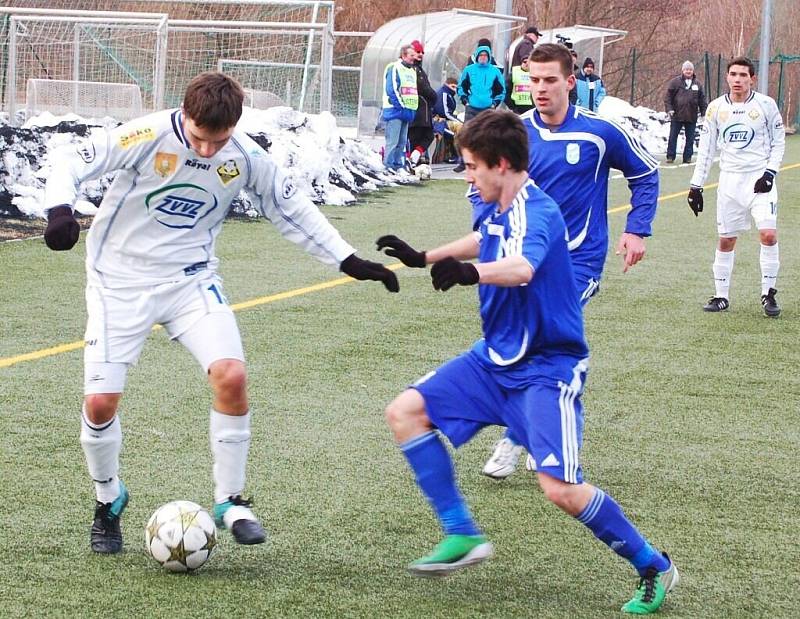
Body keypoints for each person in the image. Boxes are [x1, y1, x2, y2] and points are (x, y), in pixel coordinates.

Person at [41, 71, 399, 554]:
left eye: (220, 140)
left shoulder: (246, 156)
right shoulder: (146, 136)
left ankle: (229, 500)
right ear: (184, 114)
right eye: (199, 139)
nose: (208, 151)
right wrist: (59, 209)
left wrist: (348, 260)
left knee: (231, 375)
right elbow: (68, 158)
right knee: (101, 404)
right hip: (118, 283)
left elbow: (289, 208)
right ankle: (109, 499)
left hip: (192, 280)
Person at [377, 110, 677, 615]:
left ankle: (654, 566)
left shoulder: (537, 213)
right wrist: (422, 256)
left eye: (471, 166)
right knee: (404, 412)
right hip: (494, 361)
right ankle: (461, 533)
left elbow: (520, 267)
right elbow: (484, 238)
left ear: (500, 164)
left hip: (546, 367)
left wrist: (471, 274)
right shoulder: (498, 202)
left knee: (561, 489)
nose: (468, 176)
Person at [475, 43, 658, 479]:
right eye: (533, 80)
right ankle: (548, 430)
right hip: (523, 261)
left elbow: (646, 173)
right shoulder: (513, 133)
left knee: (538, 335)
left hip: (580, 262)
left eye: (549, 80)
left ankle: (520, 437)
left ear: (570, 82)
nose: (540, 89)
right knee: (526, 345)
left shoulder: (600, 132)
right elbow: (483, 188)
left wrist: (637, 229)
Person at [687, 56, 785, 317]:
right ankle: (721, 296)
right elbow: (706, 150)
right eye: (734, 74)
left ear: (752, 78)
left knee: (768, 234)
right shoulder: (716, 108)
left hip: (759, 181)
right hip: (729, 182)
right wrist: (696, 186)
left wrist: (769, 173)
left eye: (743, 75)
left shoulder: (766, 105)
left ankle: (769, 293)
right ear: (727, 77)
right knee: (727, 239)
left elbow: (778, 142)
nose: (738, 79)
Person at [454, 44, 505, 172]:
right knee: (466, 135)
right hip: (472, 108)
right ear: (477, 56)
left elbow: (501, 90)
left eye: (485, 55)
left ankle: (487, 162)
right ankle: (463, 162)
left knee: (488, 136)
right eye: (481, 55)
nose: (483, 57)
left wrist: (495, 103)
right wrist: (465, 100)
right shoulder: (469, 70)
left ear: (489, 57)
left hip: (488, 109)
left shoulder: (495, 71)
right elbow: (461, 86)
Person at [381, 45, 418, 171]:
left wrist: (412, 109)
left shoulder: (412, 70)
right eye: (411, 55)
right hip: (395, 110)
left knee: (402, 142)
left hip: (407, 111)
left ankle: (398, 166)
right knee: (393, 141)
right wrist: (400, 106)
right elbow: (391, 89)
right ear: (403, 55)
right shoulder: (394, 67)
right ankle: (388, 166)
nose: (415, 57)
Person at [664, 61, 708, 164]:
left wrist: (704, 113)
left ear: (693, 71)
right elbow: (668, 97)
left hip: (691, 115)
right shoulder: (675, 82)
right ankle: (670, 156)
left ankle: (687, 157)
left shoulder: (698, 84)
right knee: (673, 137)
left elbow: (702, 100)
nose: (688, 71)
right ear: (682, 70)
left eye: (690, 70)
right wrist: (669, 109)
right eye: (686, 69)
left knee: (690, 138)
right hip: (677, 115)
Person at [407, 40, 438, 166]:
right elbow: (424, 88)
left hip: (422, 110)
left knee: (427, 136)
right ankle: (411, 160)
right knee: (417, 137)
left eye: (422, 52)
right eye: (417, 52)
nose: (420, 54)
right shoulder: (413, 69)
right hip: (418, 110)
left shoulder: (418, 68)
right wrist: (434, 96)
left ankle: (413, 158)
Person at [432, 77, 462, 163]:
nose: (455, 90)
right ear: (446, 85)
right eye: (453, 86)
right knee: (460, 127)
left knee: (461, 126)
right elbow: (444, 112)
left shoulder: (448, 94)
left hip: (444, 119)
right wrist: (457, 120)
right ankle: (456, 154)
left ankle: (456, 154)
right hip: (438, 121)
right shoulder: (444, 93)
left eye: (456, 87)